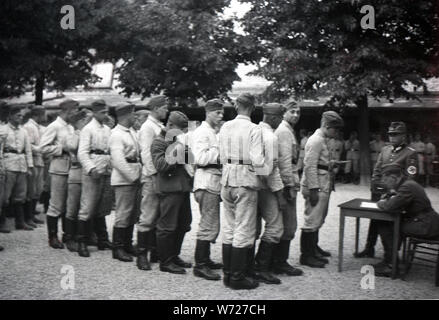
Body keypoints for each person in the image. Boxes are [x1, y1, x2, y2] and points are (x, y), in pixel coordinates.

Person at [218, 93, 264, 290]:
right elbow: (258, 160)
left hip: (227, 177)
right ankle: (237, 278)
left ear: (236, 106)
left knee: (228, 227)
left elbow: (220, 155)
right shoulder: (254, 129)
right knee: (243, 227)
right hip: (245, 179)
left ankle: (228, 274)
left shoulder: (225, 126)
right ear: (252, 108)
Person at [355, 121, 418, 258]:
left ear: (403, 136)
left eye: (396, 134)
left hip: (396, 194)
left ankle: (390, 255)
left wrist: (395, 193)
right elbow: (377, 171)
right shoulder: (385, 150)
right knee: (374, 219)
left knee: (389, 224)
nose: (392, 137)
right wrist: (375, 187)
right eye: (390, 134)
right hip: (379, 192)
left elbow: (410, 178)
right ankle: (369, 248)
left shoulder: (410, 153)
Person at [374, 164, 439, 277]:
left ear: (394, 177)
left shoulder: (406, 187)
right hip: (426, 221)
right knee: (389, 224)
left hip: (426, 225)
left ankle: (391, 265)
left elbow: (390, 206)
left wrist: (380, 202)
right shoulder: (407, 184)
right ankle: (391, 260)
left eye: (386, 179)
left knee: (387, 227)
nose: (384, 182)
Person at [300, 111, 344, 268]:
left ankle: (313, 248)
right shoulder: (316, 140)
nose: (336, 133)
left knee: (319, 218)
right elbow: (309, 165)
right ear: (326, 126)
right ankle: (306, 255)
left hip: (323, 183)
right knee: (311, 219)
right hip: (316, 186)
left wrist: (330, 164)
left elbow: (320, 162)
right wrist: (313, 189)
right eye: (334, 129)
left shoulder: (324, 139)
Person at [151, 111, 193, 274]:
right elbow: (160, 166)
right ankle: (165, 261)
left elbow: (191, 159)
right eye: (179, 129)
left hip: (182, 188)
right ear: (169, 125)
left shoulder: (175, 141)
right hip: (169, 189)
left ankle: (174, 256)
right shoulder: (158, 142)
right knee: (167, 226)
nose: (182, 133)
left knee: (184, 224)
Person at [252, 103, 288, 285]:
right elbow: (271, 170)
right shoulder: (270, 136)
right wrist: (280, 194)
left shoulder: (252, 131)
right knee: (275, 227)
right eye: (281, 117)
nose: (282, 121)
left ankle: (248, 267)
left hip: (250, 186)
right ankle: (262, 268)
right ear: (273, 118)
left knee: (252, 228)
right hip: (266, 187)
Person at [191, 99, 224, 281]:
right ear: (208, 112)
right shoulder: (202, 132)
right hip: (206, 181)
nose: (220, 116)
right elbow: (200, 158)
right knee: (207, 223)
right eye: (217, 113)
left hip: (212, 182)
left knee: (212, 222)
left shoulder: (212, 132)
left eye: (221, 113)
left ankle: (206, 259)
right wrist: (221, 152)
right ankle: (200, 265)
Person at [40, 99, 78, 249]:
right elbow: (42, 147)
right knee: (56, 204)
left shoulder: (71, 127)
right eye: (74, 110)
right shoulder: (54, 126)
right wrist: (61, 149)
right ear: (67, 111)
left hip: (73, 168)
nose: (76, 113)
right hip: (59, 168)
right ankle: (53, 237)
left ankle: (68, 236)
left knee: (70, 204)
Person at [76, 100, 113, 257]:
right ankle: (82, 242)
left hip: (106, 169)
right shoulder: (88, 129)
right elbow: (82, 152)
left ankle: (102, 239)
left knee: (103, 205)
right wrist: (91, 168)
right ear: (95, 112)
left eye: (106, 112)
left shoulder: (107, 129)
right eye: (103, 112)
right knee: (88, 206)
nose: (105, 115)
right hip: (93, 169)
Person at [136, 96, 169, 270]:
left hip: (160, 176)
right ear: (155, 108)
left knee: (158, 216)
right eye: (164, 107)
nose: (166, 110)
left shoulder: (159, 126)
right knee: (148, 215)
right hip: (152, 176)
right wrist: (154, 175)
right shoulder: (148, 127)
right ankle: (141, 255)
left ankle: (154, 251)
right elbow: (146, 154)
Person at [272, 100, 304, 276]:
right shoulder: (284, 132)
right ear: (284, 113)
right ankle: (280, 263)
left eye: (298, 112)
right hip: (286, 184)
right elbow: (285, 161)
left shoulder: (288, 130)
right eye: (292, 112)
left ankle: (276, 261)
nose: (296, 115)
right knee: (288, 225)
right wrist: (289, 185)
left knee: (285, 224)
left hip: (288, 181)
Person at [109, 104, 142, 262]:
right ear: (125, 116)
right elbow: (118, 160)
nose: (135, 117)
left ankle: (127, 244)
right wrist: (132, 177)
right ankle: (118, 247)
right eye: (133, 114)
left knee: (132, 213)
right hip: (124, 179)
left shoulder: (131, 132)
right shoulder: (116, 134)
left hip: (134, 176)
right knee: (123, 213)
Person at [64, 110, 91, 252]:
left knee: (85, 206)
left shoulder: (89, 133)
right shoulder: (73, 135)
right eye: (87, 120)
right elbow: (72, 146)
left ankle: (83, 236)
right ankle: (69, 237)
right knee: (72, 206)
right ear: (81, 121)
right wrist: (81, 132)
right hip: (77, 172)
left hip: (88, 173)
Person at [3, 106, 34, 231]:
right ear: (10, 116)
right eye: (18, 116)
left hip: (21, 165)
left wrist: (30, 166)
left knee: (20, 195)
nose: (20, 118)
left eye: (21, 116)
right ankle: (2, 222)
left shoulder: (24, 131)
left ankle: (20, 222)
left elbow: (28, 150)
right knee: (4, 197)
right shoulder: (2, 129)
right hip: (8, 164)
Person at [23, 106, 46, 226]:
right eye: (44, 114)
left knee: (37, 189)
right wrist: (41, 149)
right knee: (30, 190)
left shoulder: (38, 127)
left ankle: (31, 214)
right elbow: (28, 146)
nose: (45, 116)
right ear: (38, 114)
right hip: (32, 161)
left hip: (39, 161)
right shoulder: (29, 127)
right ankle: (27, 217)